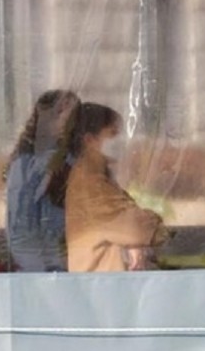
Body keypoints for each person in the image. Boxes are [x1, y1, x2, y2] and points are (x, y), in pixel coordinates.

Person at [65, 103, 168, 272]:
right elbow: (142, 230)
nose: (121, 141)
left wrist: (134, 241)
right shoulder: (90, 185)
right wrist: (144, 232)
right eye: (113, 134)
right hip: (103, 288)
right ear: (90, 140)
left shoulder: (96, 178)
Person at [5, 90, 80, 272]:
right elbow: (20, 233)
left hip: (75, 268)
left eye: (74, 114)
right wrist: (42, 276)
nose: (67, 120)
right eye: (60, 112)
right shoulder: (26, 166)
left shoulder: (77, 162)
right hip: (43, 273)